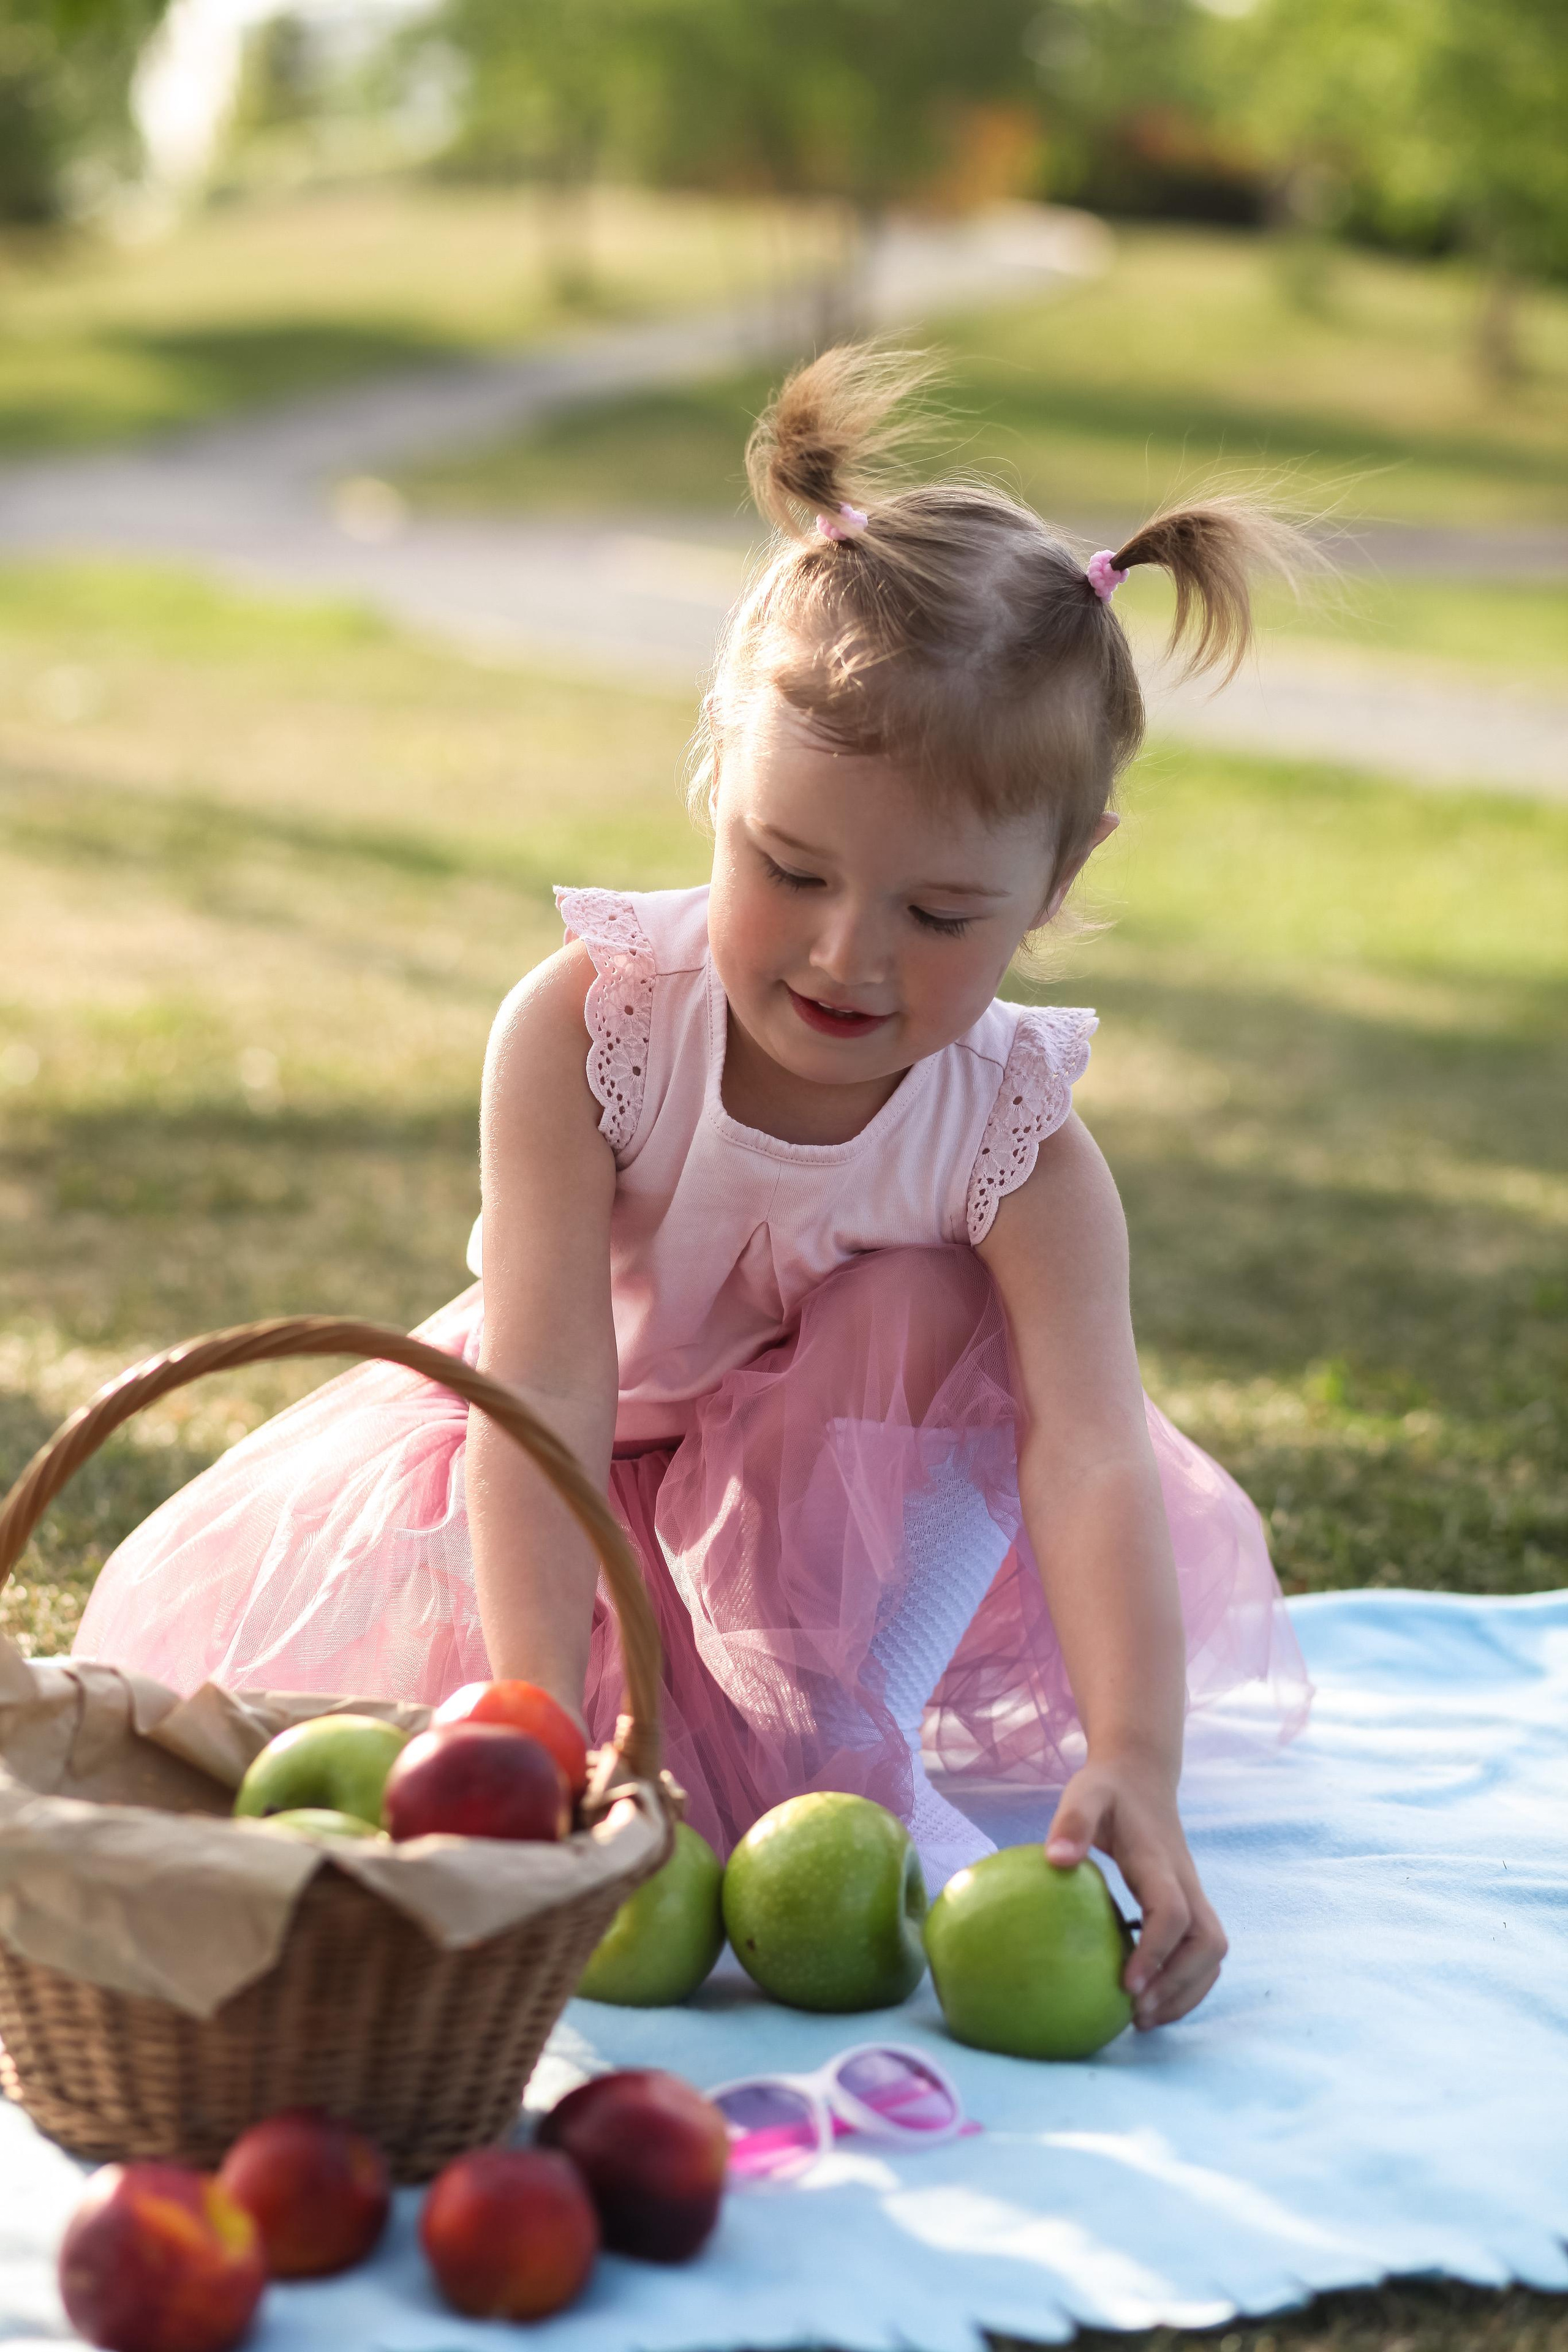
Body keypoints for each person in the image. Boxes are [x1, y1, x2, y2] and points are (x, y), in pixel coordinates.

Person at [77, 346, 1311, 2031]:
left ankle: (831, 1734)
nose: (845, 954)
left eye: (940, 915)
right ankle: (642, 1721)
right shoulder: (594, 1029)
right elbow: (542, 1396)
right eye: (789, 868)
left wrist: (1135, 1760)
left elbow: (1088, 1451)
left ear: (1061, 875)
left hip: (825, 1533)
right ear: (720, 772)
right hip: (571, 1475)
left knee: (925, 1298)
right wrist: (534, 1724)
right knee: (490, 1712)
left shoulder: (1019, 1137)